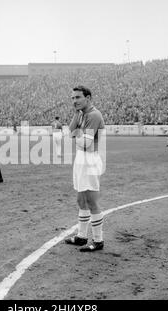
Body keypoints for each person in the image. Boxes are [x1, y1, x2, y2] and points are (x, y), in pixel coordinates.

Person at [65, 86, 105, 252]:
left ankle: (98, 240)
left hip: (90, 159)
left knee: (91, 201)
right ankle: (82, 236)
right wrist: (76, 114)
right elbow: (70, 132)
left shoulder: (94, 115)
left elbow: (85, 142)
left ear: (88, 98)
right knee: (81, 200)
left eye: (78, 98)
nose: (74, 101)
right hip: (81, 158)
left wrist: (75, 135)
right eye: (73, 98)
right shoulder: (81, 114)